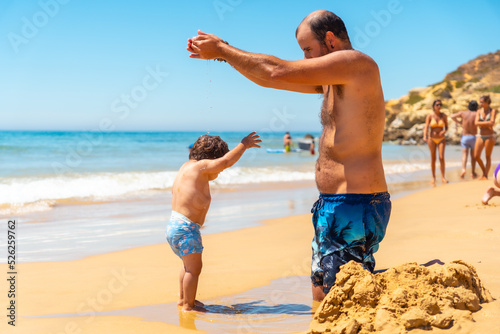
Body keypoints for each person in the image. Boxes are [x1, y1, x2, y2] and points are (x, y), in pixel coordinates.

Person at [187, 10, 391, 302]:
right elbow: (269, 79)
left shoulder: (355, 64)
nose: (306, 59)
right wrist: (223, 54)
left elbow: (276, 71)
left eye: (308, 49)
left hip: (354, 204)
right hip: (335, 205)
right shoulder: (332, 80)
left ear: (330, 41)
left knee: (341, 301)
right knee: (324, 296)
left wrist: (222, 49)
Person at [166, 132, 261, 311]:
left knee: (188, 267)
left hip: (175, 225)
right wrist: (243, 145)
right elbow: (225, 162)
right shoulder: (201, 167)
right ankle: (188, 305)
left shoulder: (186, 168)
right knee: (194, 269)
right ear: (210, 159)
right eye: (217, 167)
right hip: (186, 228)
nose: (219, 171)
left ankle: (184, 299)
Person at [450, 100, 478, 179]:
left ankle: (463, 169)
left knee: (464, 155)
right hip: (473, 136)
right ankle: (472, 172)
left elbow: (452, 116)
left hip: (465, 136)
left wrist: (459, 122)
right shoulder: (476, 114)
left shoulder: (463, 113)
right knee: (473, 156)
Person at [423, 100, 448, 185]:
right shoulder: (430, 116)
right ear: (434, 106)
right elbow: (426, 126)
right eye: (437, 105)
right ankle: (433, 178)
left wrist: (443, 132)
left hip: (441, 139)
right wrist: (424, 136)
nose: (439, 106)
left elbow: (446, 127)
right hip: (432, 139)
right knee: (433, 158)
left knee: (441, 157)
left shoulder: (444, 116)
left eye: (440, 105)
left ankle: (443, 177)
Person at [475, 95, 497, 180]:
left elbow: (492, 123)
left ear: (487, 102)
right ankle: (484, 171)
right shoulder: (479, 111)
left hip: (489, 136)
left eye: (482, 102)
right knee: (476, 156)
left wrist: (482, 123)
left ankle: (485, 175)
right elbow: (476, 123)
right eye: (480, 102)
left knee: (487, 156)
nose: (480, 103)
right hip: (481, 135)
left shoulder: (492, 111)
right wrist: (487, 123)